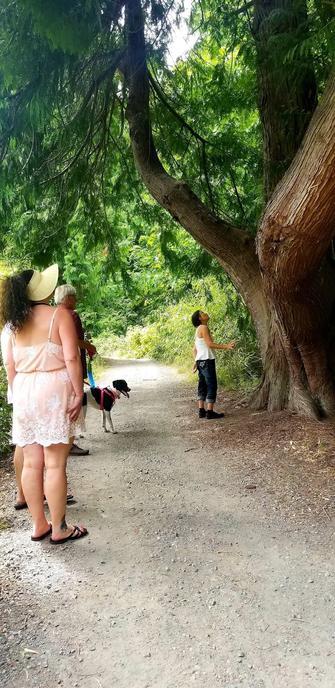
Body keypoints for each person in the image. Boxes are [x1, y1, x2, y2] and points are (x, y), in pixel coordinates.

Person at [0, 264, 88, 543]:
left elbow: (10, 366)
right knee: (54, 464)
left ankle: (39, 525)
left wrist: (19, 395)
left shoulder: (13, 324)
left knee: (31, 463)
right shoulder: (58, 315)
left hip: (24, 390)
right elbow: (72, 358)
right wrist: (78, 392)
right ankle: (60, 528)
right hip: (53, 389)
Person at [54, 284, 97, 456]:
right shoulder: (71, 315)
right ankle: (71, 441)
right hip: (72, 363)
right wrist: (90, 346)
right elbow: (75, 341)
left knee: (62, 402)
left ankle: (63, 439)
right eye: (74, 296)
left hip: (57, 364)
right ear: (67, 298)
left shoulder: (52, 315)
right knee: (76, 400)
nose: (76, 299)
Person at [191, 310, 235, 419]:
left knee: (202, 385)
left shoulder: (198, 330)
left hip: (201, 361)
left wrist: (196, 362)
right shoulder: (204, 328)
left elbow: (194, 349)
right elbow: (209, 344)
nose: (205, 313)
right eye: (202, 313)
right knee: (211, 385)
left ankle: (202, 410)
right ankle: (209, 412)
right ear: (200, 318)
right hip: (207, 360)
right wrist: (226, 346)